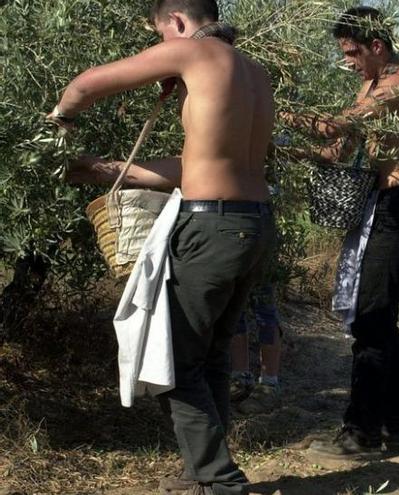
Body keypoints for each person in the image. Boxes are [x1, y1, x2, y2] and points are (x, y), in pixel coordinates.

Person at [60, 1, 276, 493]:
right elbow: (195, 166)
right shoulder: (255, 73)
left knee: (173, 363)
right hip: (254, 224)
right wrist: (105, 168)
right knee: (210, 356)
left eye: (161, 35)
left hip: (212, 229)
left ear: (176, 22)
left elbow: (87, 84)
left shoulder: (192, 54)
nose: (164, 47)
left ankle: (221, 482)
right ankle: (201, 474)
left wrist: (60, 118)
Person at [282, 6, 399, 459]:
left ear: (377, 46)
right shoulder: (368, 85)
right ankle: (397, 424)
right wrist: (287, 151)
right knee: (378, 320)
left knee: (370, 319)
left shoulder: (398, 83)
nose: (347, 60)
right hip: (382, 209)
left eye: (351, 52)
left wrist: (274, 109)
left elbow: (340, 125)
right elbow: (338, 146)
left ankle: (361, 432)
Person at [229, 282, 283, 415]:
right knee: (234, 311)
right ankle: (241, 378)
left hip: (259, 264)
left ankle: (269, 384)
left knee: (265, 311)